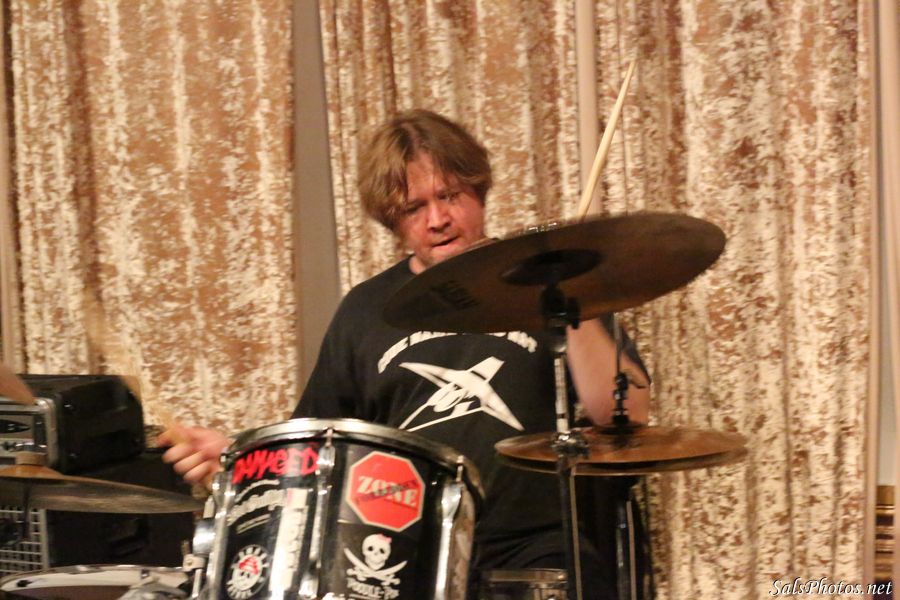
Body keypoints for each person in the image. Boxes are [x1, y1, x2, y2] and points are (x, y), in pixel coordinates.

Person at [161, 109, 651, 598]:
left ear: (478, 190)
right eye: (414, 208)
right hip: (403, 561)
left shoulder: (548, 283)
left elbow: (626, 414)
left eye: (449, 196)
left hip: (536, 552)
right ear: (392, 221)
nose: (437, 220)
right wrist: (239, 460)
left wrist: (569, 296)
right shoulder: (365, 311)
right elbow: (316, 452)